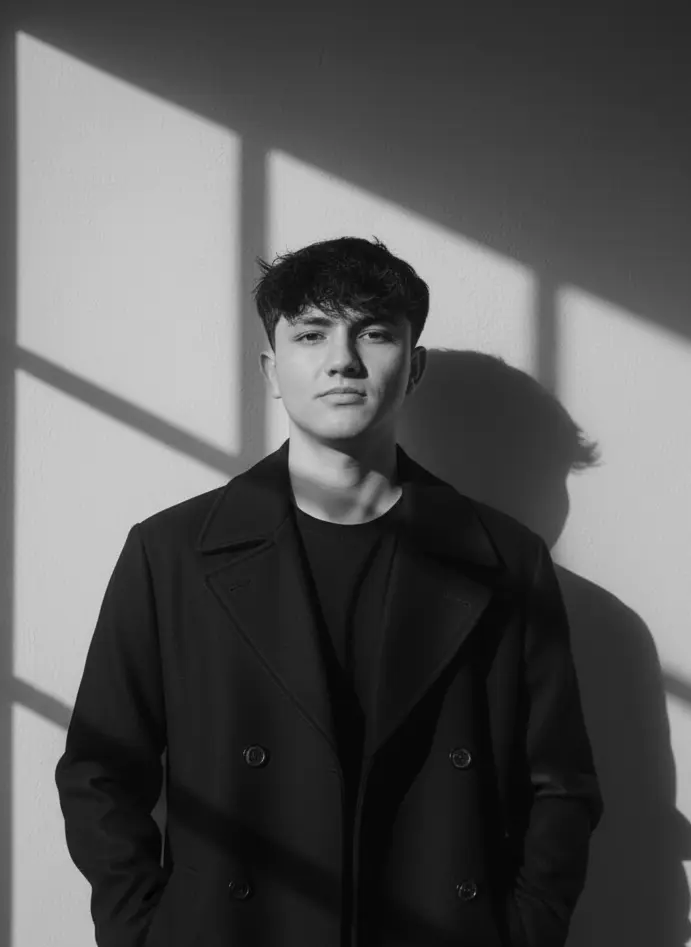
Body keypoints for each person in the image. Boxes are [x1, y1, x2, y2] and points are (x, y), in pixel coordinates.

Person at [55, 236, 602, 947]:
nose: (342, 359)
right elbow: (100, 769)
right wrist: (143, 934)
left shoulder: (506, 561)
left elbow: (561, 784)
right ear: (272, 369)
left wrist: (522, 934)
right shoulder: (171, 554)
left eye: (374, 333)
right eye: (311, 334)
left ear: (413, 367)